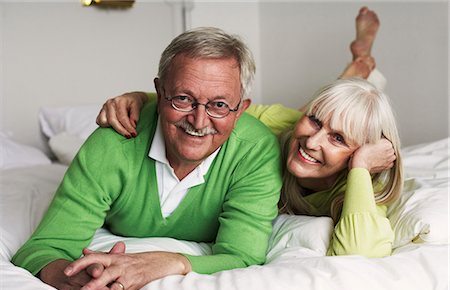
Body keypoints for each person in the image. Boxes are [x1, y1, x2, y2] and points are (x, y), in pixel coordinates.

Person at [97, 7, 403, 257]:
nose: (312, 141)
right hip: (294, 120)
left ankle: (362, 62)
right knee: (319, 111)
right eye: (314, 122)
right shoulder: (279, 126)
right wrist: (141, 98)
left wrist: (361, 167)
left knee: (353, 107)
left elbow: (360, 253)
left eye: (338, 139)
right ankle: (356, 68)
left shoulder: (362, 184)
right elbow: (213, 110)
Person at [12, 27, 283, 290]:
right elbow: (42, 248)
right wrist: (74, 277)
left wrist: (170, 263)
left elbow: (243, 257)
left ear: (240, 110)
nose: (199, 121)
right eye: (183, 99)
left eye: (219, 105)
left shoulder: (256, 150)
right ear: (158, 92)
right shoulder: (111, 143)